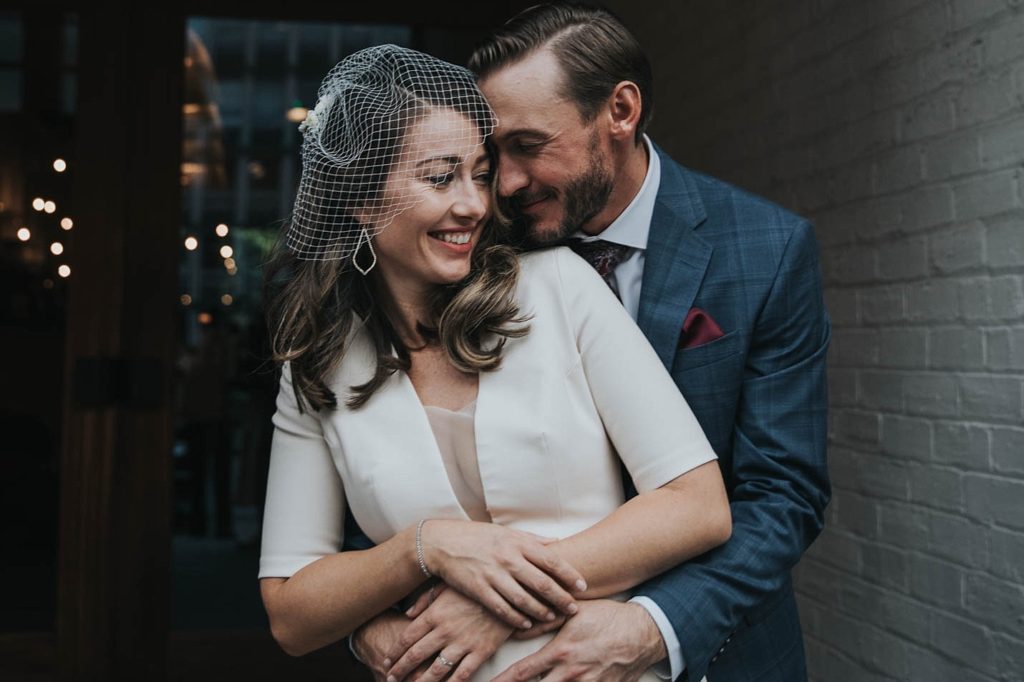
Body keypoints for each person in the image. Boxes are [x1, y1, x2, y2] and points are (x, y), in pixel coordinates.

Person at [354, 5, 831, 682]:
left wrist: (651, 625)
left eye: (529, 145)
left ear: (621, 111)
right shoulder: (468, 246)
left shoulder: (766, 250)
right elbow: (377, 439)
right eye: (494, 156)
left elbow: (783, 493)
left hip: (719, 657)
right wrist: (368, 620)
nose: (506, 184)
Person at [258, 44, 733, 682]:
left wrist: (500, 603)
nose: (475, 204)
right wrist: (427, 548)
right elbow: (290, 611)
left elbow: (696, 505)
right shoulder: (319, 363)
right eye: (439, 177)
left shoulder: (557, 288)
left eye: (479, 174)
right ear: (362, 201)